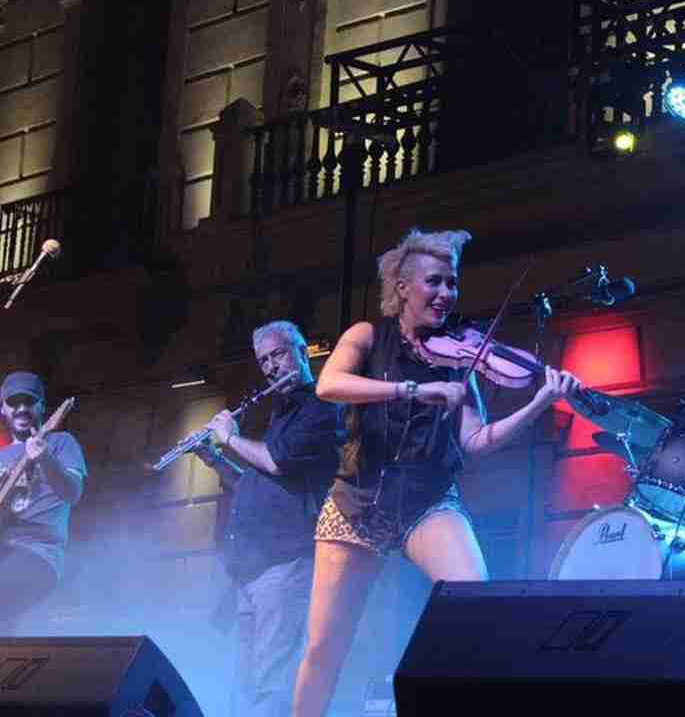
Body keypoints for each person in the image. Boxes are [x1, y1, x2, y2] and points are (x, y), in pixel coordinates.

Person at [292, 228, 582, 717]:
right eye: (435, 282)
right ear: (403, 288)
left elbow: (476, 441)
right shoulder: (366, 336)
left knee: (478, 607)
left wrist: (538, 402)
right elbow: (329, 384)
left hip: (426, 501)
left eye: (453, 283)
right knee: (324, 650)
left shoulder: (457, 359)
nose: (447, 294)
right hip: (355, 502)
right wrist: (411, 389)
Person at [196, 321, 342, 717]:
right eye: (263, 361)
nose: (271, 367)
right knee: (246, 680)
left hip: (284, 562)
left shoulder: (320, 406)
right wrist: (216, 459)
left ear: (301, 350)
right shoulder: (281, 415)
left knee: (272, 680)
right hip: (251, 567)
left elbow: (276, 462)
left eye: (277, 354)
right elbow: (252, 484)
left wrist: (229, 436)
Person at [0, 371, 86, 633]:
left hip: (37, 553)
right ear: (2, 408)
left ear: (43, 406)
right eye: (14, 402)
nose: (22, 408)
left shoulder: (60, 442)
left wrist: (45, 459)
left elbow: (73, 493)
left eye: (30, 401)